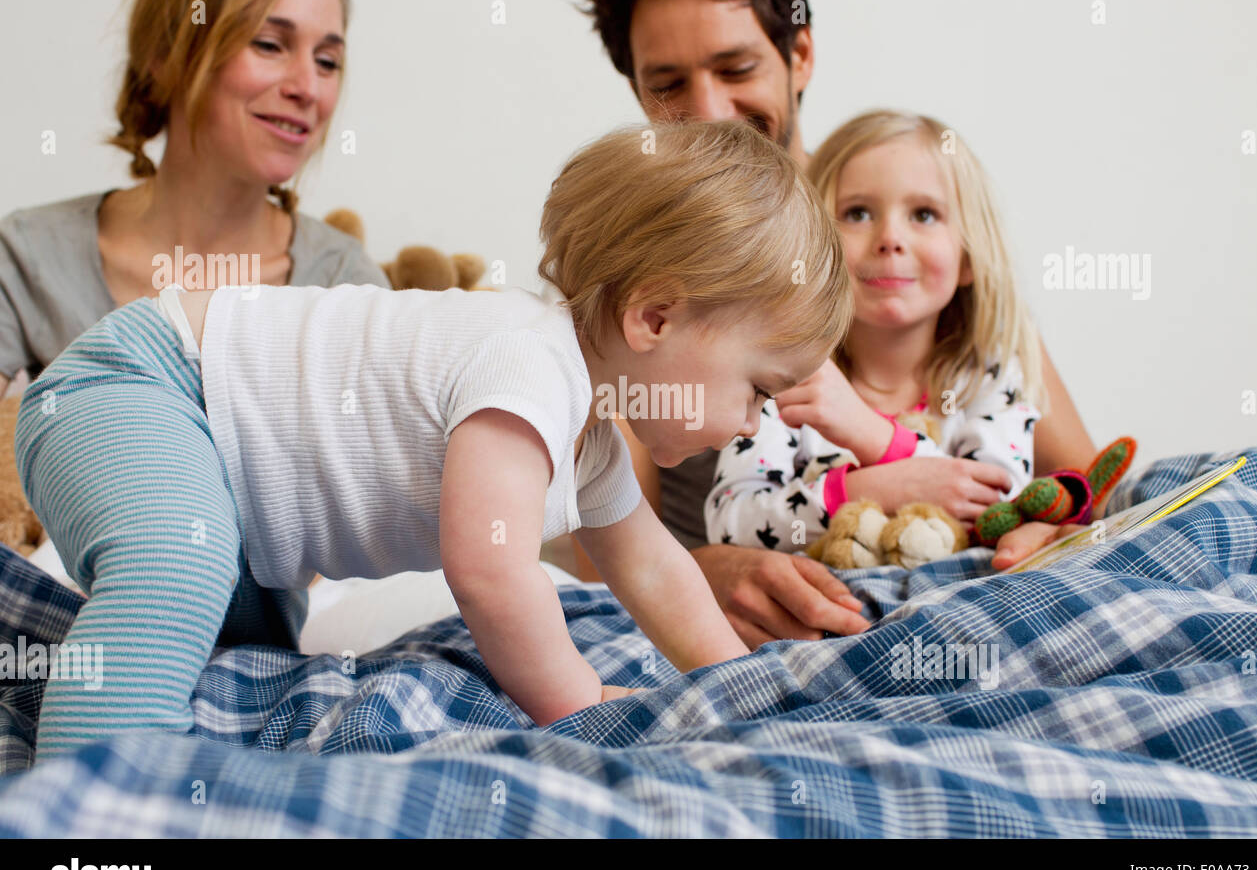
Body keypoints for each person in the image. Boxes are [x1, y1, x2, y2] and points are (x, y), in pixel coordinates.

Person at [14, 120, 854, 761]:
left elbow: (652, 566)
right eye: (757, 388)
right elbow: (489, 569)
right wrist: (576, 704)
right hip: (144, 388)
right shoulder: (529, 363)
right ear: (656, 317)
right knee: (173, 567)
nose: (757, 421)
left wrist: (732, 692)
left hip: (228, 485)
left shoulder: (590, 438)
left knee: (247, 653)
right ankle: (93, 805)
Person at [581, 0, 1097, 646]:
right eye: (669, 84)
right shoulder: (627, 293)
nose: (706, 110)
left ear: (799, 56)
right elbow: (599, 579)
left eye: (735, 67)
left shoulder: (913, 252)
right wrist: (703, 574)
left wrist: (1038, 528)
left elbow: (1085, 489)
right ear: (636, 90)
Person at [707, 109, 1076, 564]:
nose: (890, 239)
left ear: (967, 259)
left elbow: (999, 511)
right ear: (810, 245)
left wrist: (875, 439)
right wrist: (857, 490)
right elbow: (729, 524)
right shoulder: (780, 380)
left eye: (924, 214)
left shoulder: (988, 375)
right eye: (857, 213)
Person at [0, 0, 387, 399]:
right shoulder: (26, 258)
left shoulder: (345, 283)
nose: (308, 88)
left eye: (327, 61)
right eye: (269, 44)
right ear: (165, 55)